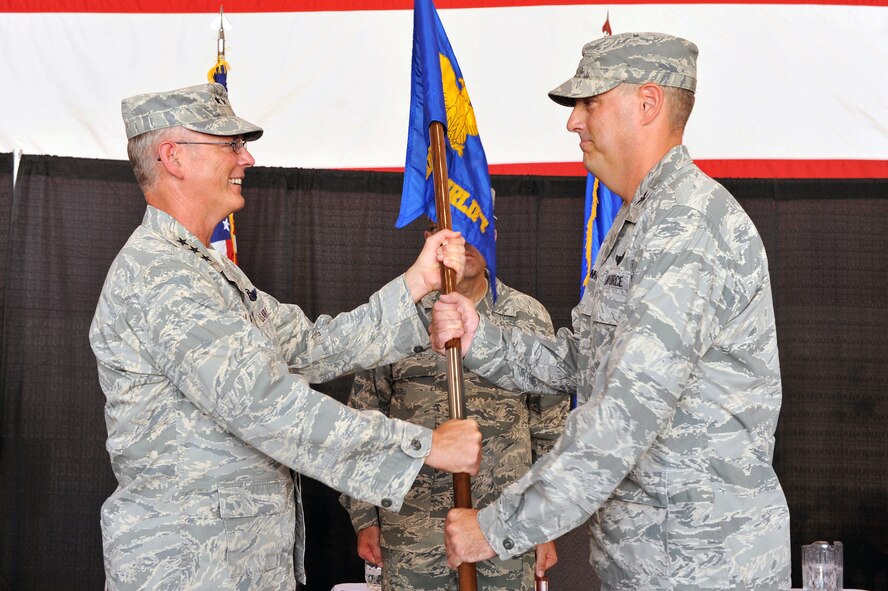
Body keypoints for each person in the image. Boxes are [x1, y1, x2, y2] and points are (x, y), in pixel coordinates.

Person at [431, 32, 791, 589]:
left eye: (589, 102)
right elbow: (582, 359)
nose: (573, 122)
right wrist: (483, 337)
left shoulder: (686, 227)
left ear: (647, 104)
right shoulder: (641, 221)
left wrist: (497, 528)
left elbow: (625, 411)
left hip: (702, 566)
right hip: (651, 562)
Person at [89, 82, 483, 591]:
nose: (246, 157)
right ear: (173, 156)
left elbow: (307, 347)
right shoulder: (161, 277)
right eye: (229, 144)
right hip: (188, 570)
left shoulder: (205, 270)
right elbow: (268, 406)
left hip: (236, 565)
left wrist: (417, 283)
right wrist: (423, 446)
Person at [340, 219, 568, 590]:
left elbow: (550, 430)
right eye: (454, 229)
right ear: (431, 239)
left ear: (494, 235)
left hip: (505, 525)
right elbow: (365, 420)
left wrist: (544, 523)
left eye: (478, 227)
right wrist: (365, 517)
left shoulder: (528, 317)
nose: (468, 243)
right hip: (413, 528)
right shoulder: (398, 316)